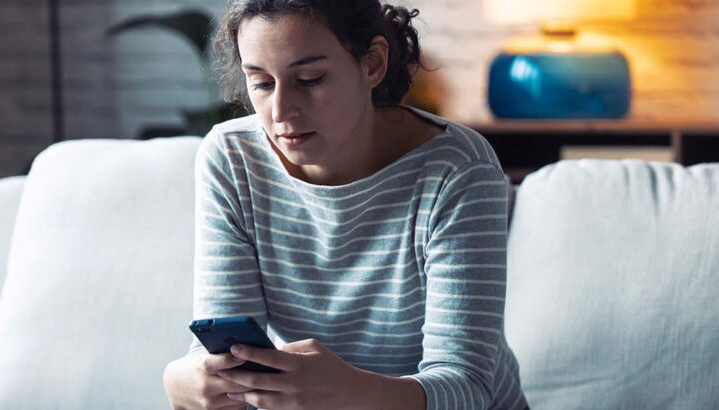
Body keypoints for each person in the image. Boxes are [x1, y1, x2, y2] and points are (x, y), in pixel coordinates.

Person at [162, 0, 528, 408]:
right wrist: (182, 379)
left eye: (310, 78)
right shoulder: (232, 160)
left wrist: (349, 392)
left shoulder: (457, 169)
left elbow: (469, 387)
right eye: (262, 83)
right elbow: (225, 354)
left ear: (372, 64)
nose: (281, 111)